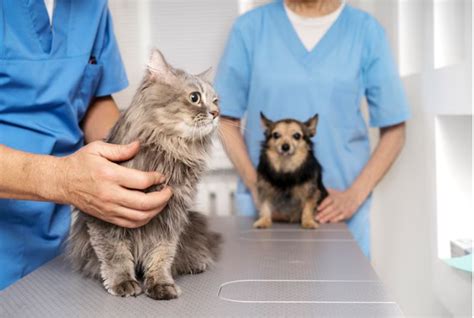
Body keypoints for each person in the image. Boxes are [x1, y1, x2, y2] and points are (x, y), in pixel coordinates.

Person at [215, 0, 410, 257]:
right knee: (264, 292)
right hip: (267, 214)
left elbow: (394, 127)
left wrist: (354, 195)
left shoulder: (366, 31)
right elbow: (225, 118)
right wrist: (258, 187)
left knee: (343, 295)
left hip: (336, 216)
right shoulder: (250, 28)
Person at [0, 0, 172, 290]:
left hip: (57, 241)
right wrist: (63, 178)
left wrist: (138, 157)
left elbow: (91, 98)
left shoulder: (93, 7)